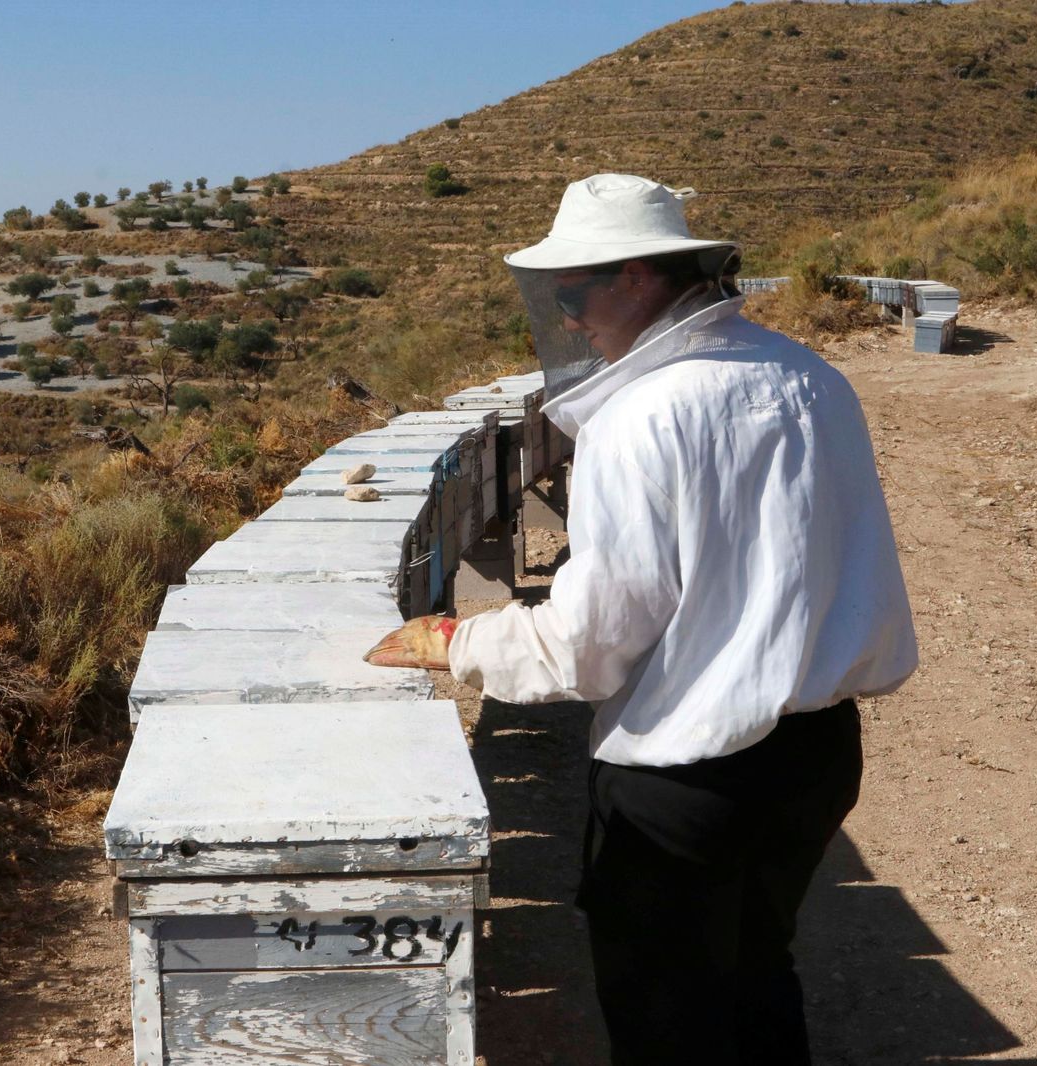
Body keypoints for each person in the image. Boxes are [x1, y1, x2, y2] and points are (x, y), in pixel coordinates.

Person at [366, 174, 918, 1065]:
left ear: (633, 277)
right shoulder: (812, 378)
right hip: (818, 758)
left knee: (668, 1018)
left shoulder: (641, 418)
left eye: (572, 292)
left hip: (687, 778)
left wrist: (460, 639)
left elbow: (589, 645)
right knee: (757, 974)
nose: (568, 317)